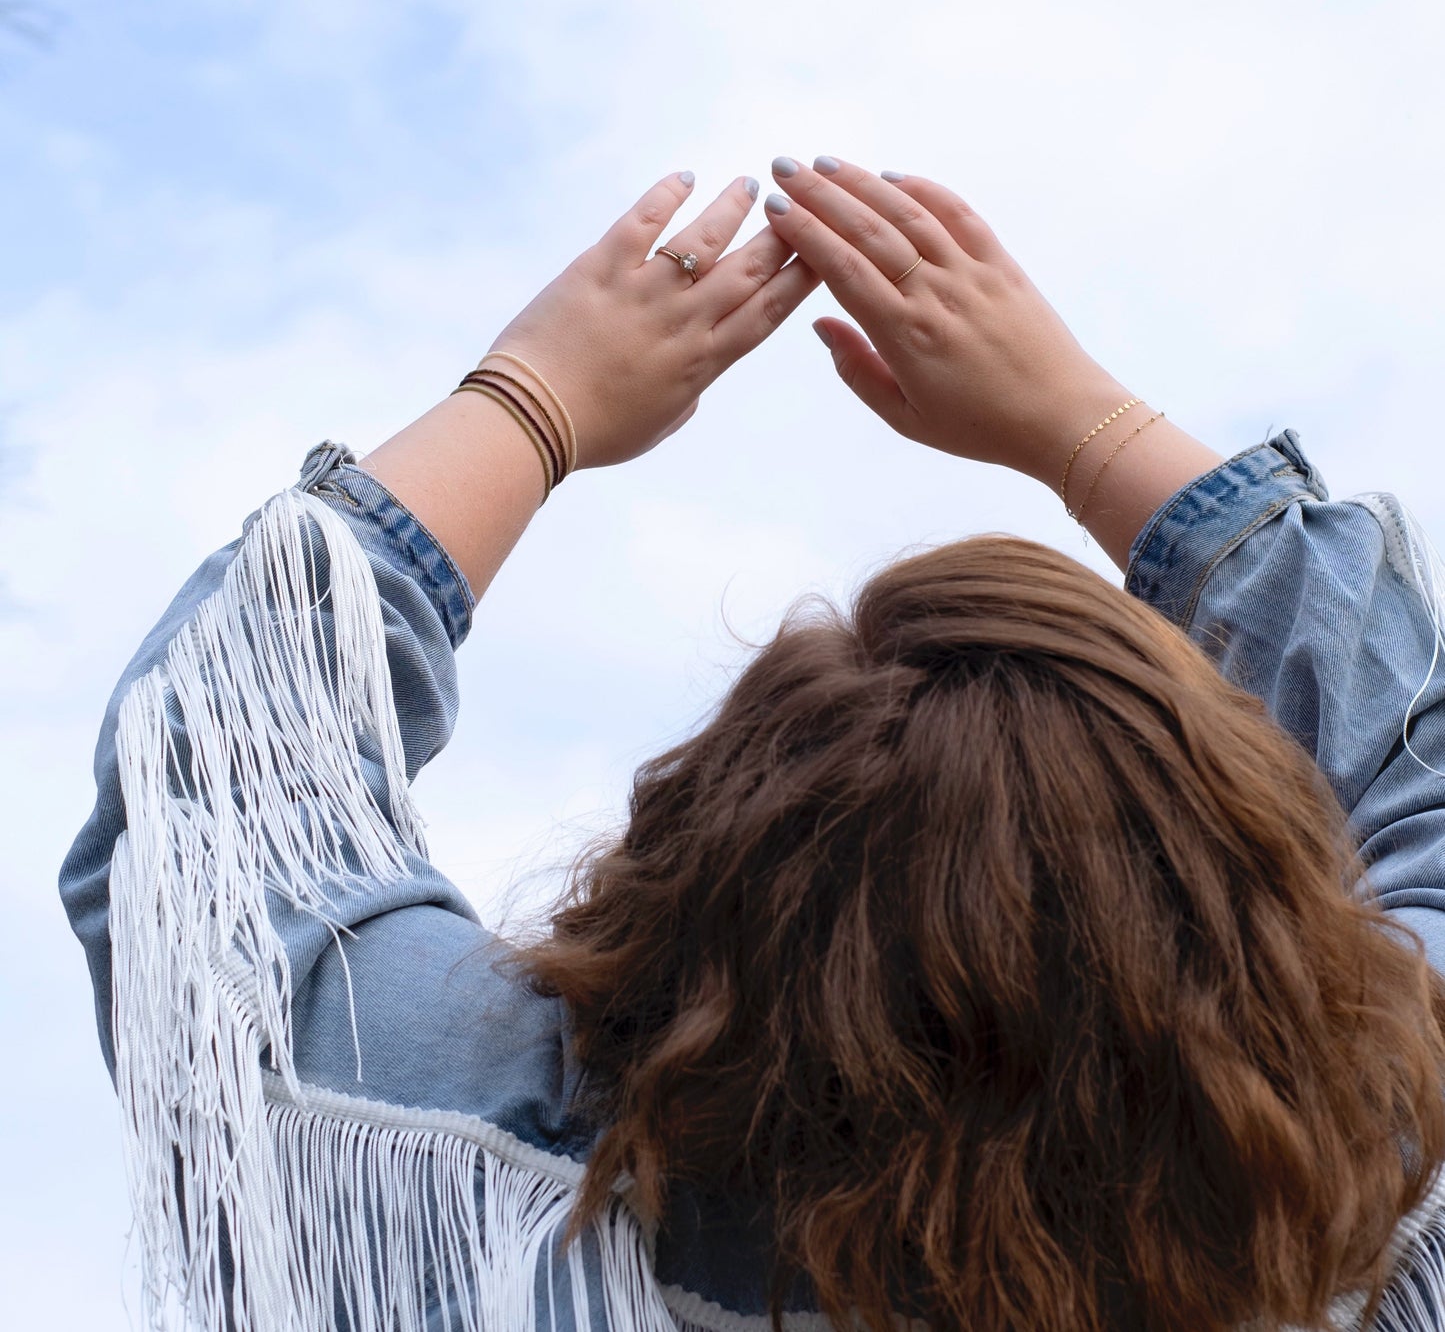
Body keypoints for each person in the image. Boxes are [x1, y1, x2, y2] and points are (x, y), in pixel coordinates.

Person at [61, 157, 1445, 1332]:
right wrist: (1083, 424)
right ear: (1257, 914)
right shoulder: (1368, 1200)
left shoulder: (459, 1196)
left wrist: (535, 396)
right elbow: (1414, 776)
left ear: (690, 896)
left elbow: (211, 801)